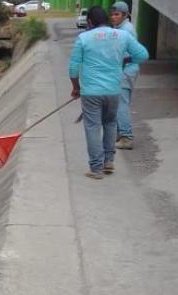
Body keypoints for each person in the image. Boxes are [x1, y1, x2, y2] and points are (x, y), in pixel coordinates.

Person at [69, 6, 149, 179]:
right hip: (114, 90)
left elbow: (73, 68)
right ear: (106, 18)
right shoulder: (123, 35)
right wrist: (124, 59)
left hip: (90, 92)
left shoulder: (83, 38)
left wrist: (76, 88)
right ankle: (109, 161)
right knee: (110, 124)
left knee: (92, 128)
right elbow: (143, 55)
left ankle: (96, 169)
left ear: (90, 22)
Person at [111, 1, 138, 150]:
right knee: (118, 104)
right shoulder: (121, 28)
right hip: (124, 69)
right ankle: (120, 134)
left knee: (121, 104)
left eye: (117, 14)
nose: (113, 17)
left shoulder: (125, 31)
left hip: (125, 70)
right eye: (112, 14)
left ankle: (127, 137)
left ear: (125, 15)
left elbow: (126, 55)